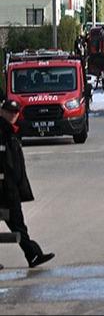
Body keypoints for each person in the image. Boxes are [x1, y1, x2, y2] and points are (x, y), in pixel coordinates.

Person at [0, 100, 55, 271]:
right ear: (2, 111)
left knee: (17, 225)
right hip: (4, 189)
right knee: (17, 224)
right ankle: (33, 254)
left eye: (16, 112)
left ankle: (33, 254)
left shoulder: (11, 131)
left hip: (10, 188)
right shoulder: (3, 131)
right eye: (10, 111)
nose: (13, 115)